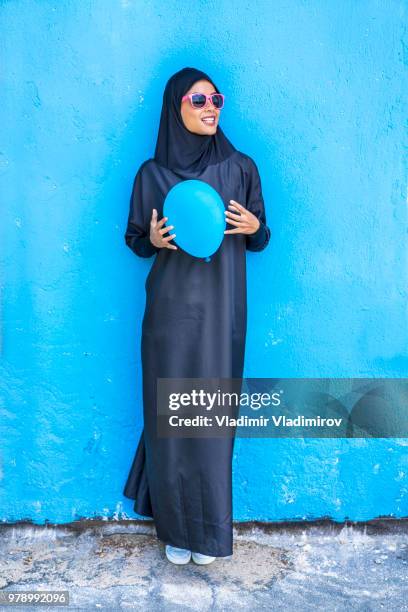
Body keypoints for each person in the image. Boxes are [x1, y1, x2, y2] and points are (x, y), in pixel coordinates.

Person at [123, 67, 271, 565]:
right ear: (176, 107)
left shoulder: (240, 168)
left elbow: (261, 235)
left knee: (209, 420)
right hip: (167, 317)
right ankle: (174, 529)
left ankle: (207, 532)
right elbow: (137, 241)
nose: (211, 108)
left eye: (217, 99)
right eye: (199, 99)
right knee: (168, 420)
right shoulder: (152, 175)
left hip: (221, 315)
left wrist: (254, 227)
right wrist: (154, 240)